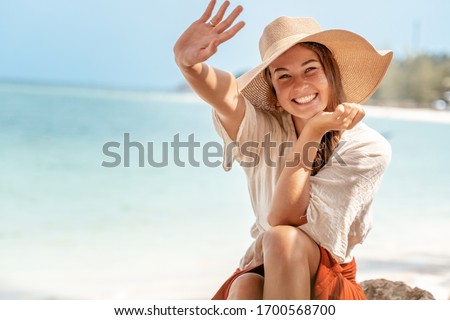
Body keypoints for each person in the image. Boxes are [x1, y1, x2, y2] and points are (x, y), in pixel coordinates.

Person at [173, 0, 393, 300]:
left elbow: (284, 220)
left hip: (327, 282)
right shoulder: (265, 129)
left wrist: (314, 130)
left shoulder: (367, 147)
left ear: (331, 74)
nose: (299, 85)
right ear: (274, 90)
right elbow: (225, 96)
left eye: (310, 69)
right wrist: (190, 65)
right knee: (245, 285)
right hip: (265, 267)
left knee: (282, 240)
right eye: (283, 76)